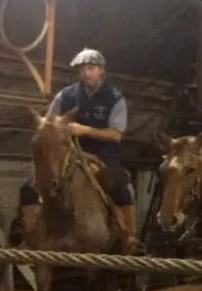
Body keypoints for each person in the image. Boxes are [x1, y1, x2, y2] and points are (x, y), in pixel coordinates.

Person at [21, 48, 139, 252]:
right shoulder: (66, 95)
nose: (86, 73)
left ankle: (129, 235)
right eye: (82, 69)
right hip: (67, 151)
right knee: (28, 187)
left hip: (102, 153)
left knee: (120, 186)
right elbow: (49, 121)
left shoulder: (114, 98)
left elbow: (116, 134)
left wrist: (85, 130)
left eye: (91, 68)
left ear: (101, 71)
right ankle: (31, 234)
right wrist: (53, 128)